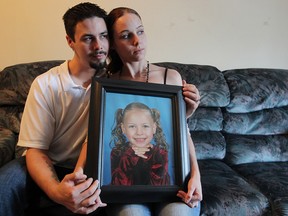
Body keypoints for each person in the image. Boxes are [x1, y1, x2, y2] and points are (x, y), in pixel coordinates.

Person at [76, 6, 202, 216]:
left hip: (172, 185)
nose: (137, 41)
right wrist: (79, 171)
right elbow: (94, 137)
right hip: (124, 190)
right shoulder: (105, 85)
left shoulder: (170, 78)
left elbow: (183, 133)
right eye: (126, 36)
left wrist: (196, 175)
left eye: (141, 31)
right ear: (113, 45)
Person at [0, 2, 109, 215]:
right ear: (70, 41)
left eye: (104, 36)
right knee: (5, 184)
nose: (99, 46)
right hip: (51, 163)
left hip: (95, 170)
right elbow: (36, 151)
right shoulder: (46, 84)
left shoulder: (117, 80)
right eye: (88, 38)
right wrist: (57, 192)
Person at [110, 102, 170, 186]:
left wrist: (152, 157)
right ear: (123, 128)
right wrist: (130, 156)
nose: (139, 132)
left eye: (145, 126)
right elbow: (117, 186)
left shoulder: (161, 153)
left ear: (153, 128)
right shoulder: (117, 153)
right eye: (132, 126)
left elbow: (162, 185)